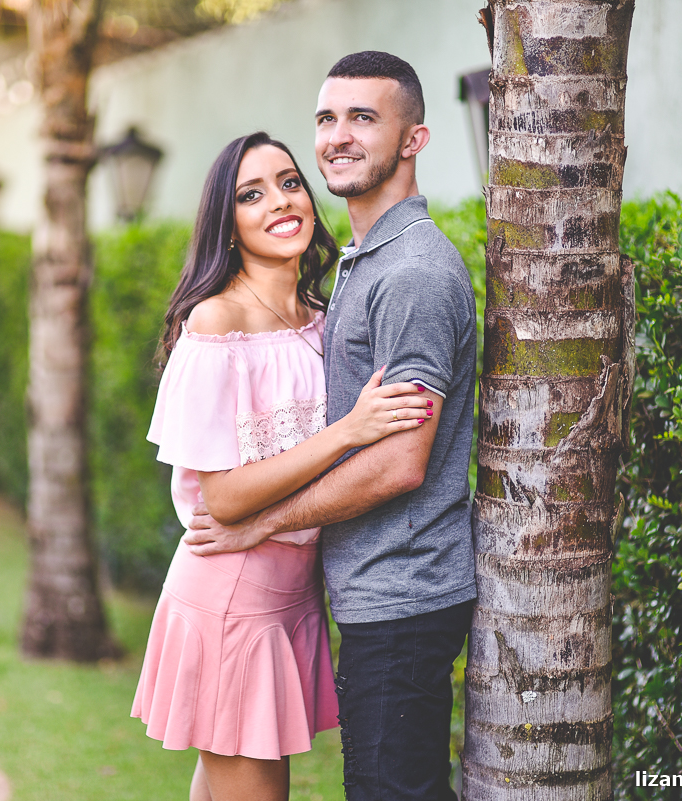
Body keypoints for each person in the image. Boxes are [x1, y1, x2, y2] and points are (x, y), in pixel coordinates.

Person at [184, 52, 478, 801]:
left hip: (403, 593)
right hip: (356, 591)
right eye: (326, 118)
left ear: (413, 139)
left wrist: (265, 522)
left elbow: (401, 462)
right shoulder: (356, 267)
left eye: (364, 118)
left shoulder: (411, 272)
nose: (338, 136)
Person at [131, 131, 433, 801]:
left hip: (293, 595)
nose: (280, 201)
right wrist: (348, 431)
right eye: (252, 194)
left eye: (290, 182)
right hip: (233, 597)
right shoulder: (216, 323)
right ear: (227, 224)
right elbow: (224, 499)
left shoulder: (322, 318)